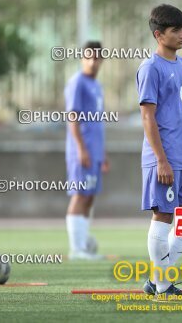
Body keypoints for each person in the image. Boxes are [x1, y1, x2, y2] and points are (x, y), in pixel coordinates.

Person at [136, 4, 182, 300]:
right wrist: (162, 161)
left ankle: (157, 280)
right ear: (158, 34)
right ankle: (164, 286)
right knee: (163, 218)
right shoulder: (150, 68)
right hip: (162, 160)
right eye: (176, 30)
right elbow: (147, 117)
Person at [65, 41, 109, 260]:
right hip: (80, 152)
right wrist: (81, 148)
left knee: (90, 197)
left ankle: (82, 244)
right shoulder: (77, 83)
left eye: (97, 58)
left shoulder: (97, 85)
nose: (93, 62)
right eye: (89, 57)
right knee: (80, 195)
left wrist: (103, 154)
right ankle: (76, 249)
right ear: (82, 58)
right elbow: (72, 116)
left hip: (95, 152)